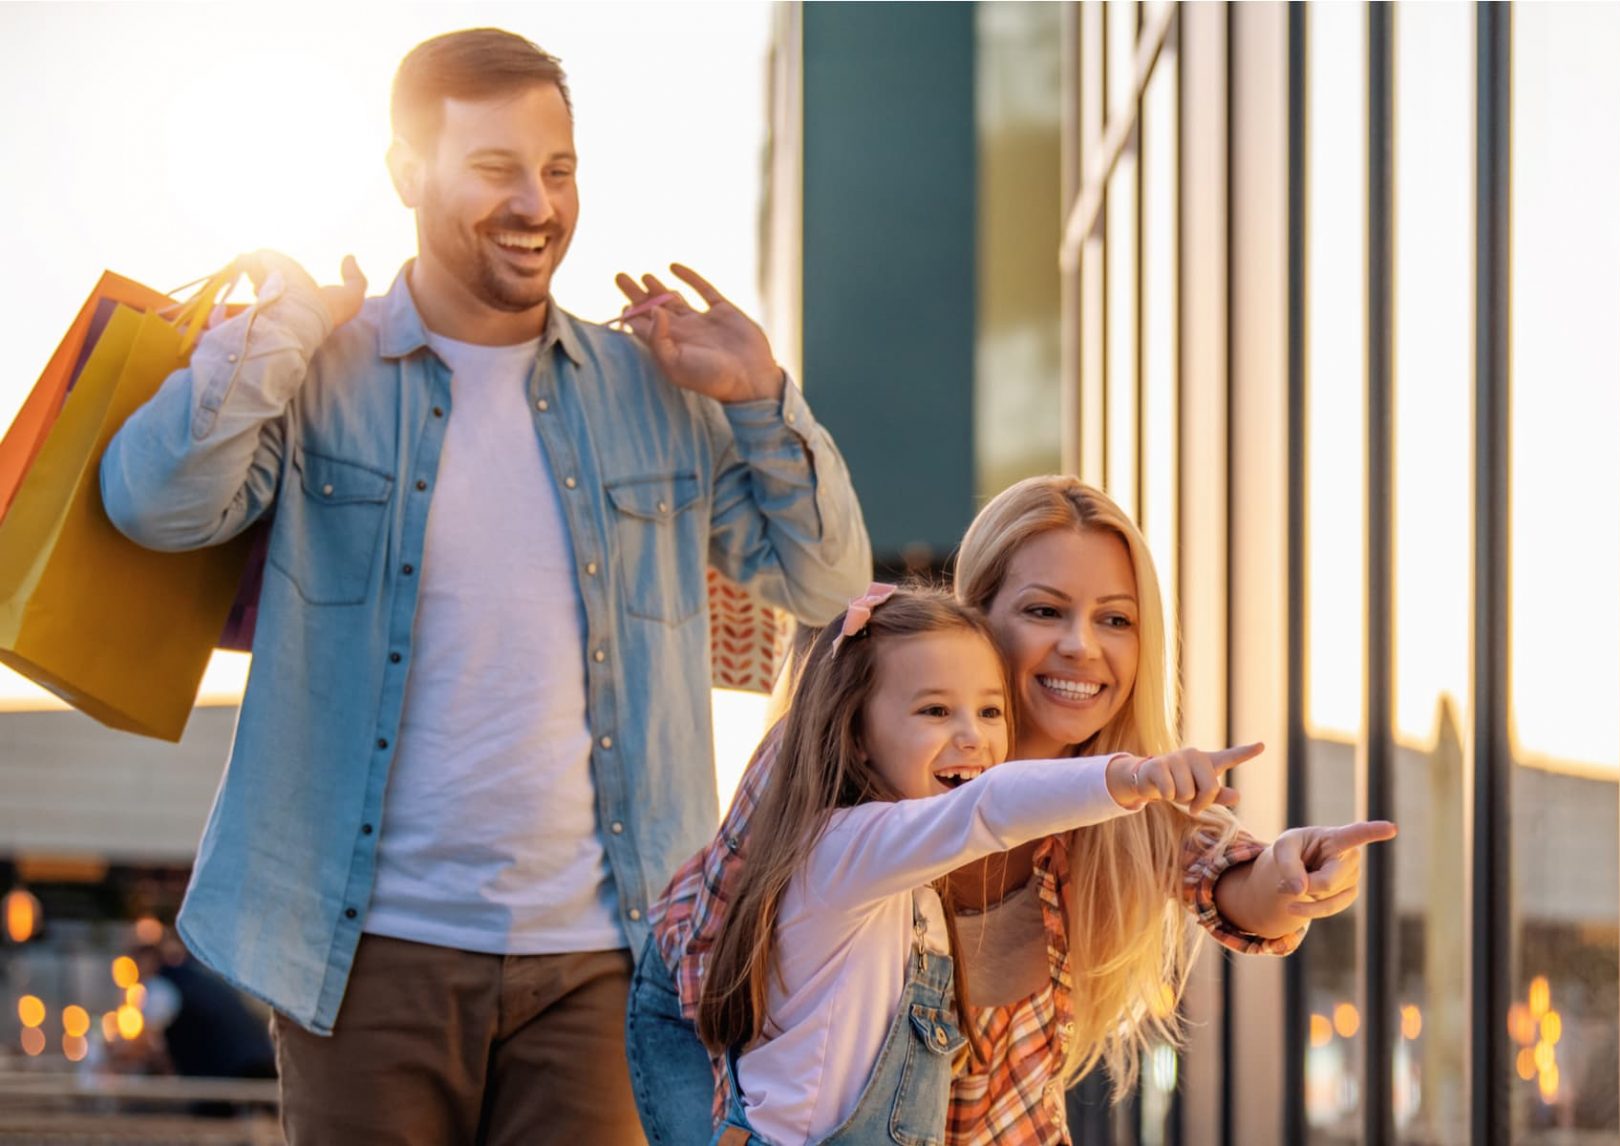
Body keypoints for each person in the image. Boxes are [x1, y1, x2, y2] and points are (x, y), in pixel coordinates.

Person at [97, 28, 867, 1143]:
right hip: (361, 961)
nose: (537, 205)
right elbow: (153, 503)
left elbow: (824, 581)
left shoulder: (651, 389)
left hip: (610, 960)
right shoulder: (322, 368)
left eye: (557, 171)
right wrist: (281, 330)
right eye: (496, 168)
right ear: (408, 173)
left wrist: (757, 396)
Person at [632, 476, 1392, 1144]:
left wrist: (1292, 880)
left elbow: (1230, 880)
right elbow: (712, 960)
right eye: (1044, 611)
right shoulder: (841, 757)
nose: (1080, 647)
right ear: (978, 614)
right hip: (741, 1069)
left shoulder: (1121, 804)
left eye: (1115, 620)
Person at [677, 582, 1259, 1144]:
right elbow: (989, 807)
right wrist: (1131, 775)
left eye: (989, 711)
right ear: (856, 735)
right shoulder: (844, 848)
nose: (972, 737)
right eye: (934, 711)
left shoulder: (906, 880)